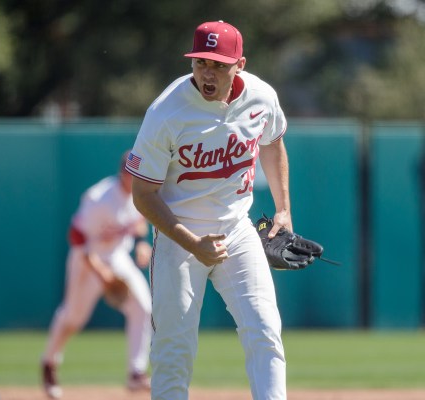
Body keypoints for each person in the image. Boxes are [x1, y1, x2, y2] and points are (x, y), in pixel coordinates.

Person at [126, 21, 290, 400]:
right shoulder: (166, 111)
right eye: (201, 62)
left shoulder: (261, 97)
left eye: (218, 64)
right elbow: (143, 194)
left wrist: (284, 210)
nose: (207, 72)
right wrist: (192, 242)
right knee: (173, 350)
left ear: (240, 65)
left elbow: (272, 142)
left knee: (265, 329)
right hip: (178, 237)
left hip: (238, 230)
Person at [41, 151, 153, 399]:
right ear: (123, 173)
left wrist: (142, 243)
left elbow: (140, 222)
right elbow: (77, 237)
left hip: (116, 256)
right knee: (73, 316)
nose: (137, 179)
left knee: (143, 307)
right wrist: (100, 272)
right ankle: (49, 362)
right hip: (86, 258)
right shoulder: (99, 198)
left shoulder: (139, 194)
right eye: (133, 174)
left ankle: (136, 373)